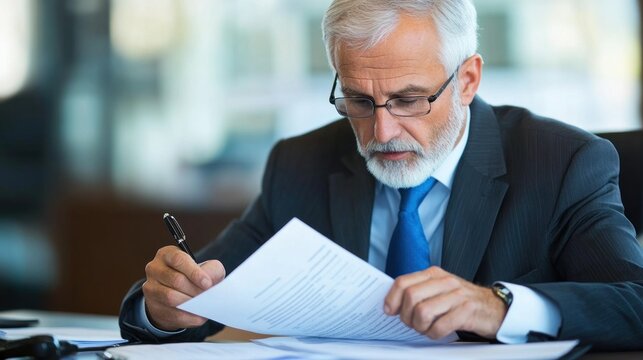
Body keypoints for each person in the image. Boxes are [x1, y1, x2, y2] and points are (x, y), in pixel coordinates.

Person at [119, 0, 643, 350]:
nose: (381, 129)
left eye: (409, 100)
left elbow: (633, 303)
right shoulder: (301, 164)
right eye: (358, 100)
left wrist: (499, 306)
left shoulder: (562, 162)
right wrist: (164, 306)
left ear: (467, 80)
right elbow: (209, 288)